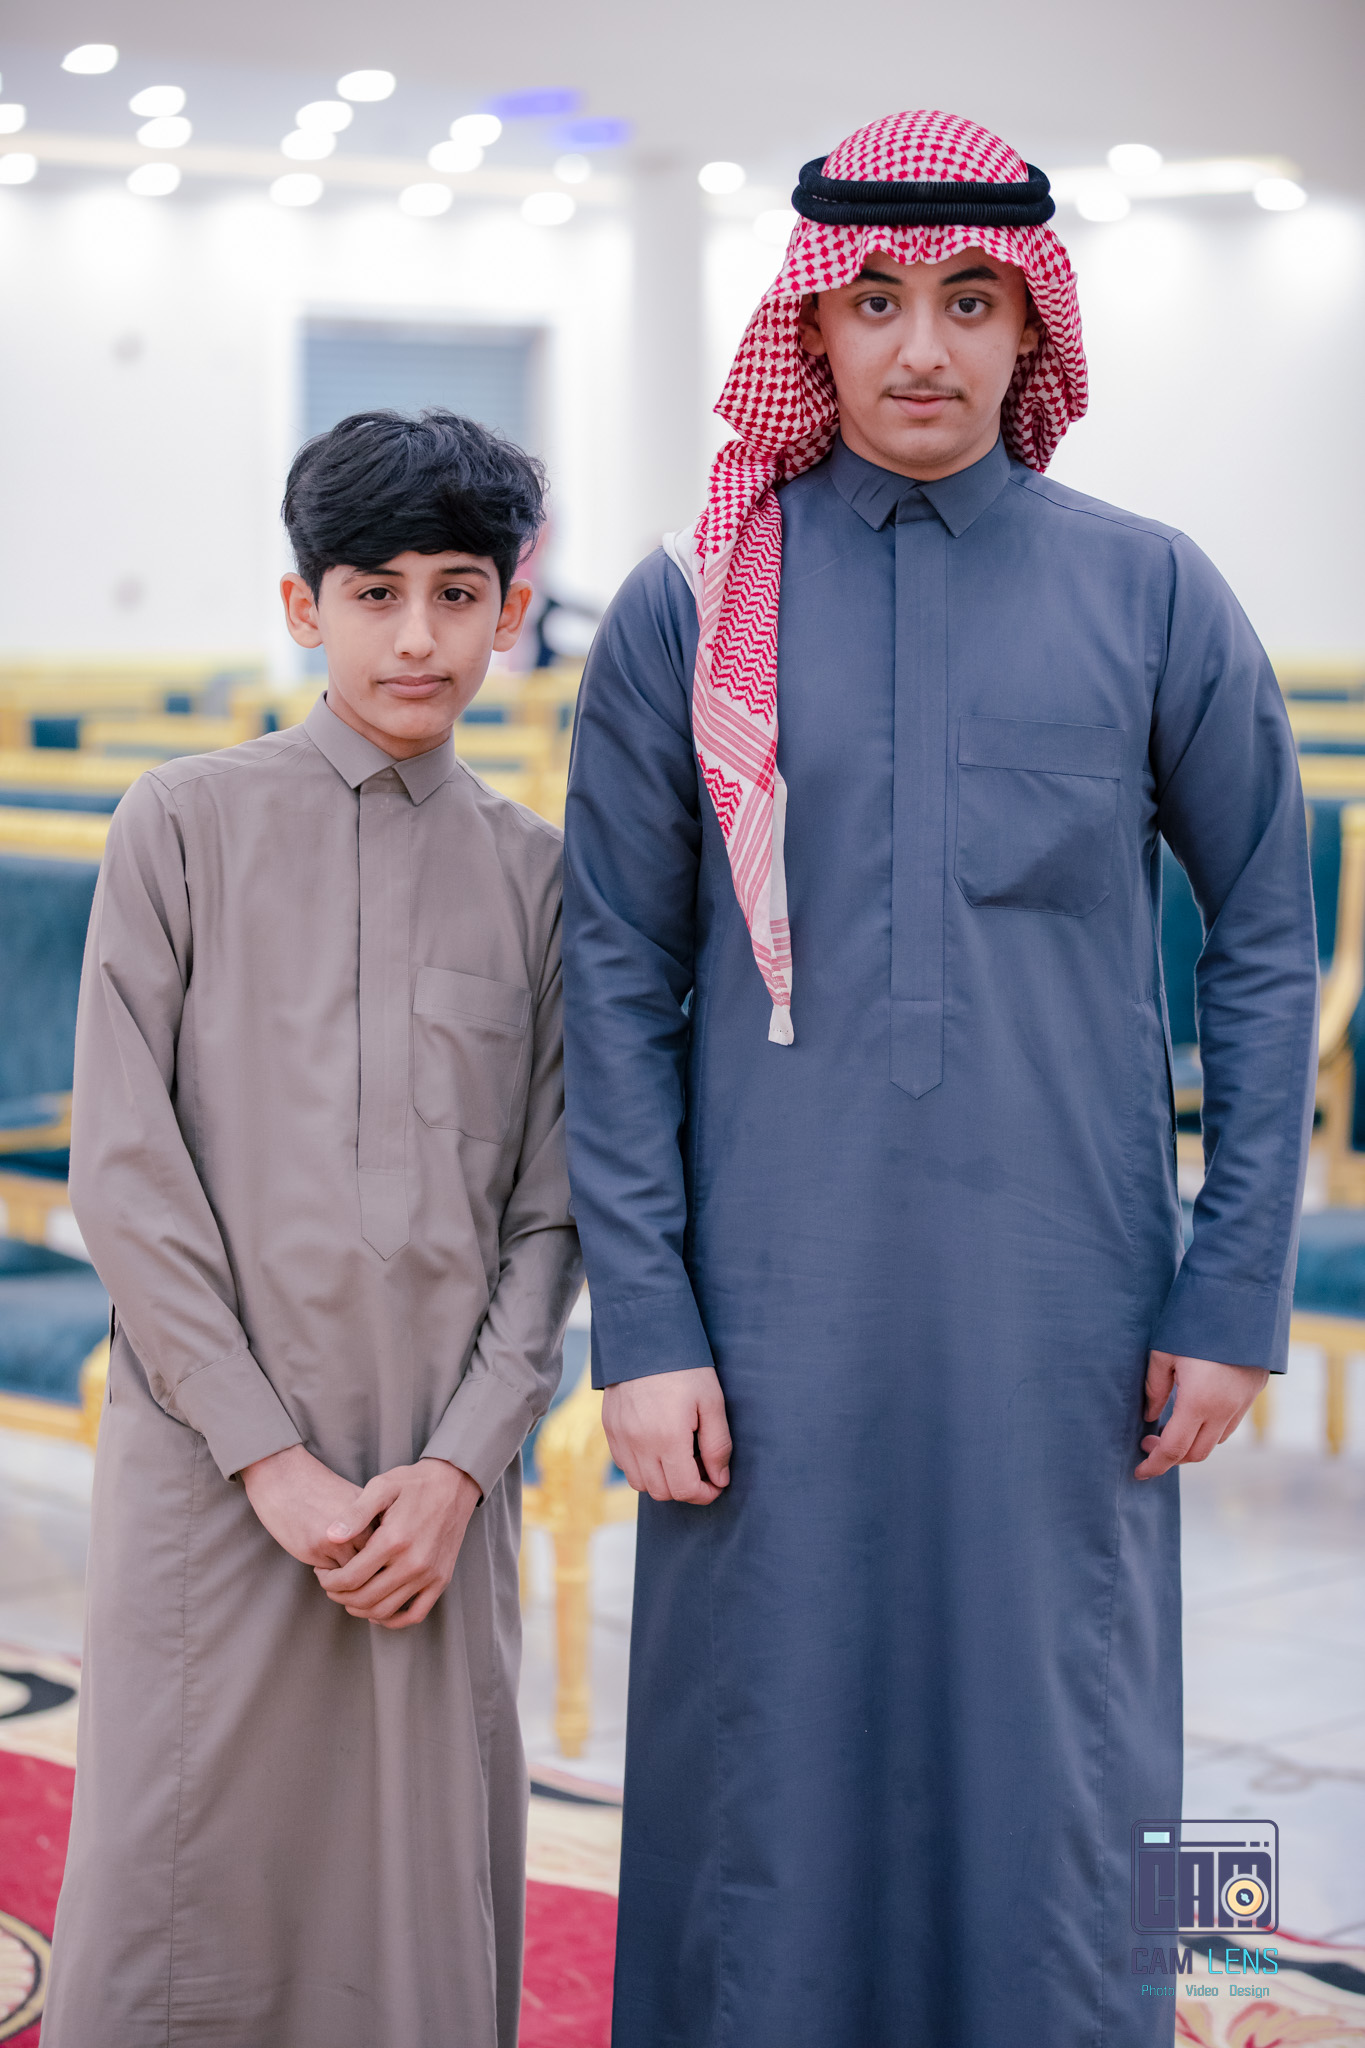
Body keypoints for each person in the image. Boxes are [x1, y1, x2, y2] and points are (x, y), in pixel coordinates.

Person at [562, 110, 1318, 2048]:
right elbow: (615, 974)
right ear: (806, 326)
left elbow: (1261, 936)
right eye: (876, 298)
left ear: (1029, 326)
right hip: (762, 1309)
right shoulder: (685, 606)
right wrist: (640, 1322)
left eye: (969, 301)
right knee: (759, 1750)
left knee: (1076, 1746)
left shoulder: (1151, 589)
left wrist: (1230, 1285)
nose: (921, 346)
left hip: (1071, 1311)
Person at [43, 409, 581, 2048]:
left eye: (456, 592)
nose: (416, 636)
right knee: (179, 1890)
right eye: (372, 592)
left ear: (510, 609)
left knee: (415, 1907)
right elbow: (124, 1170)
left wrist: (458, 1469)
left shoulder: (539, 880)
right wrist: (268, 1460)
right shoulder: (182, 823)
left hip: (432, 1491)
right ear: (303, 607)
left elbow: (553, 1214)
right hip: (213, 1471)